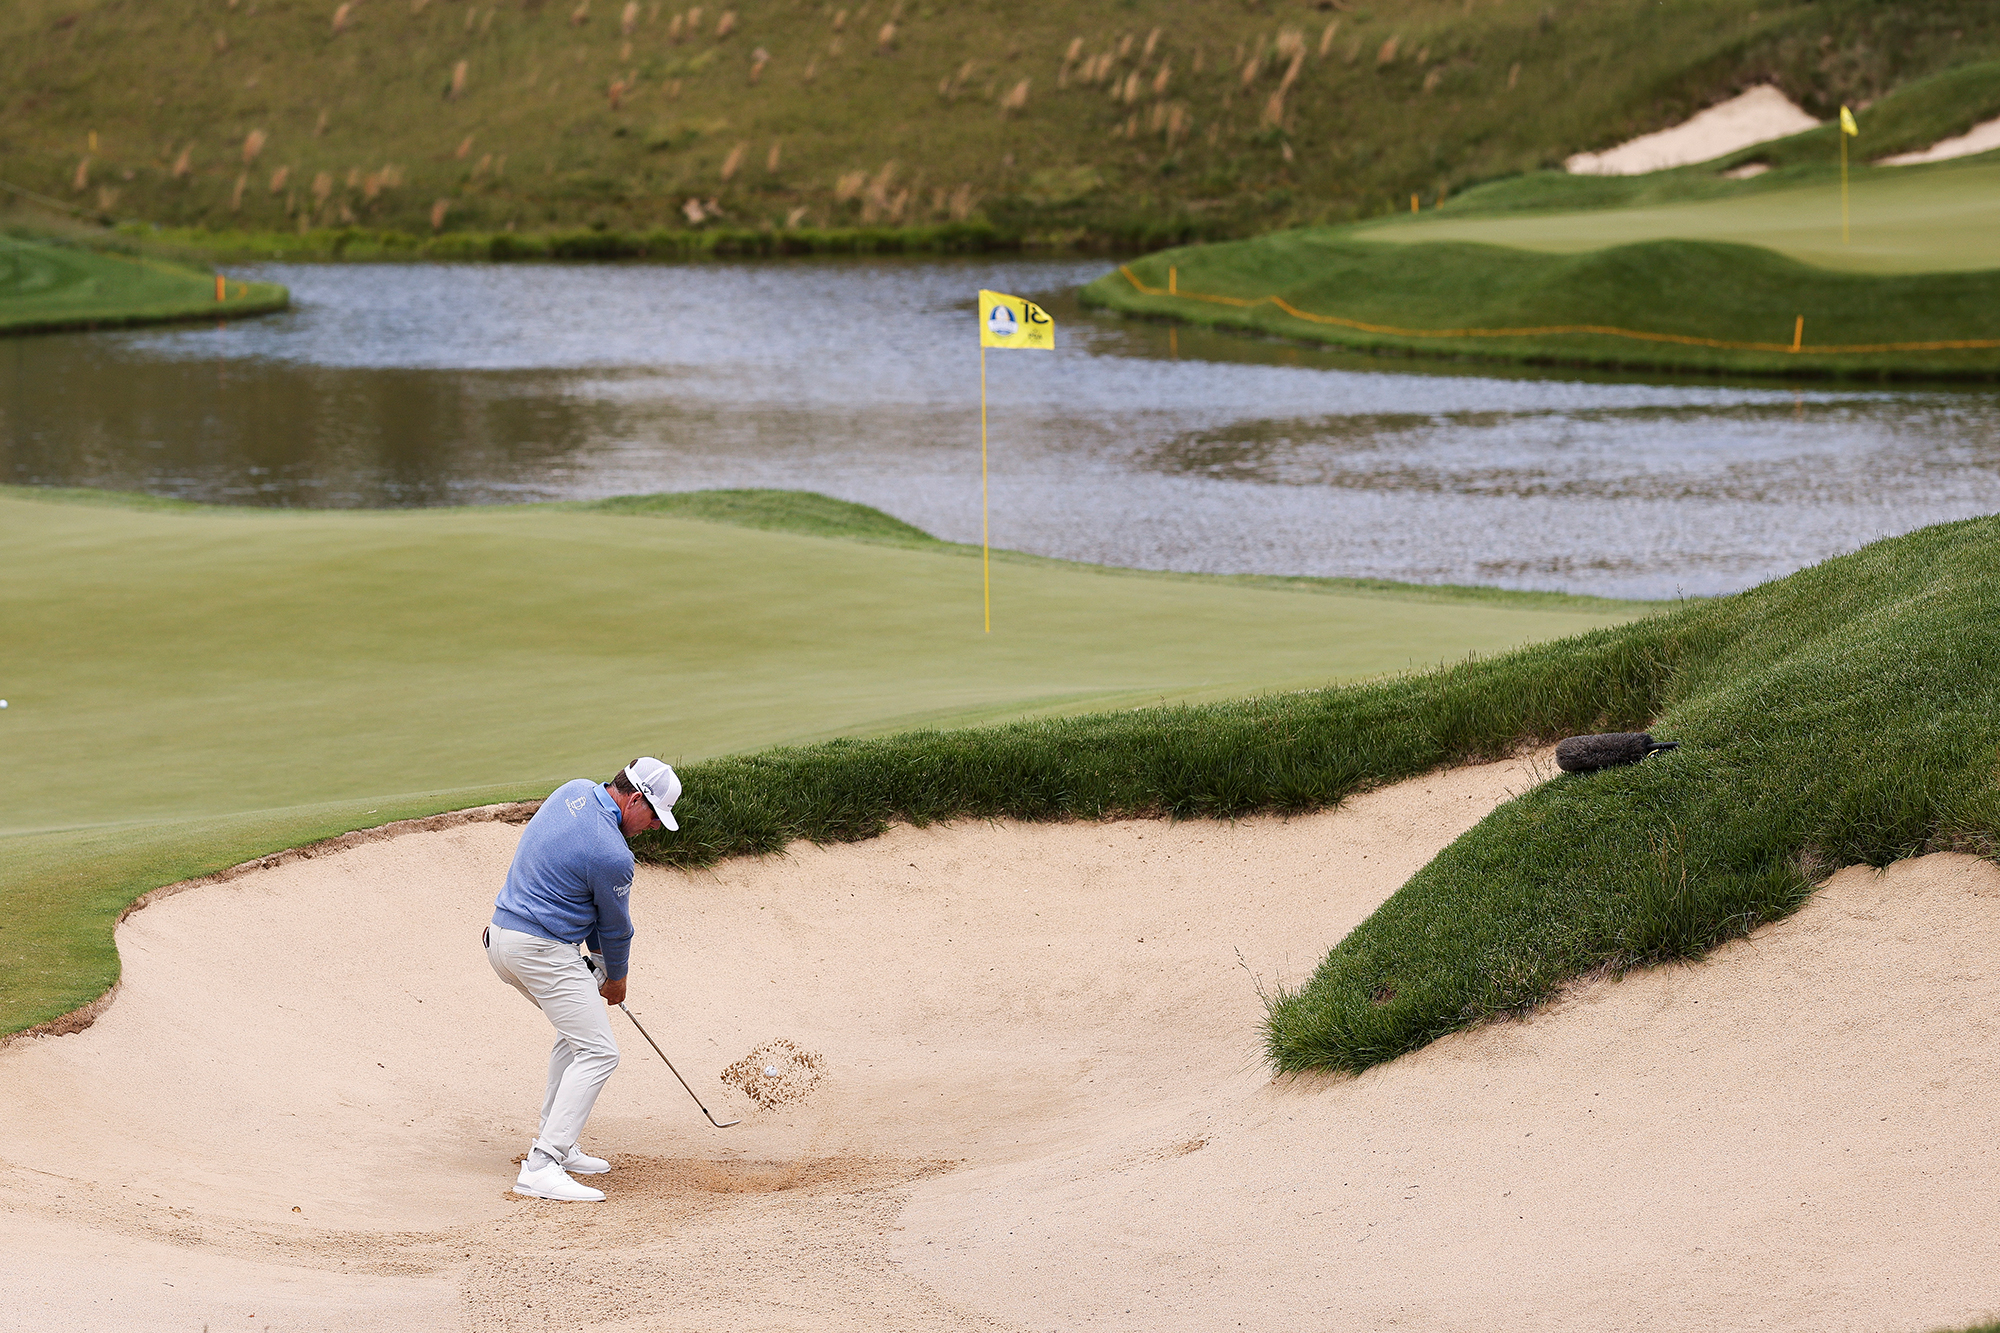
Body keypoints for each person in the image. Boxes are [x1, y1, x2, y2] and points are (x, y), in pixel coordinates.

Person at [483, 756, 681, 1202]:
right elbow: (614, 927)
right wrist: (617, 978)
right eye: (653, 816)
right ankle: (543, 1164)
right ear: (635, 799)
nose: (652, 827)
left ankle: (558, 1143)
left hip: (501, 939)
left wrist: (599, 966)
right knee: (600, 1052)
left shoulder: (572, 790)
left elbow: (581, 898)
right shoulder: (614, 854)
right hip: (540, 950)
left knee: (576, 1036)